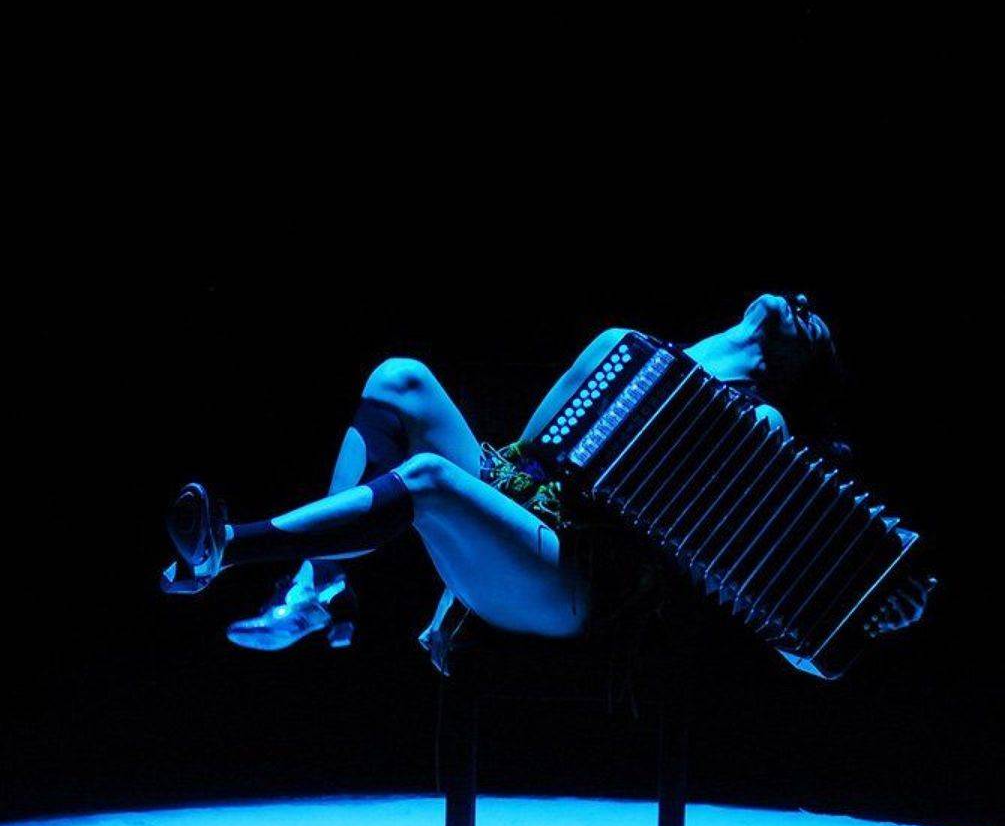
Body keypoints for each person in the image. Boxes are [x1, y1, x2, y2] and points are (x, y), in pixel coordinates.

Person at [161, 293, 932, 672]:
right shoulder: (637, 349)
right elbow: (530, 451)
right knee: (399, 378)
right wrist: (469, 554)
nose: (801, 301)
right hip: (526, 516)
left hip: (578, 581)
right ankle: (319, 590)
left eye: (814, 320)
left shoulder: (761, 424)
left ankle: (227, 547)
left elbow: (755, 590)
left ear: (801, 366)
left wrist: (861, 606)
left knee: (426, 478)